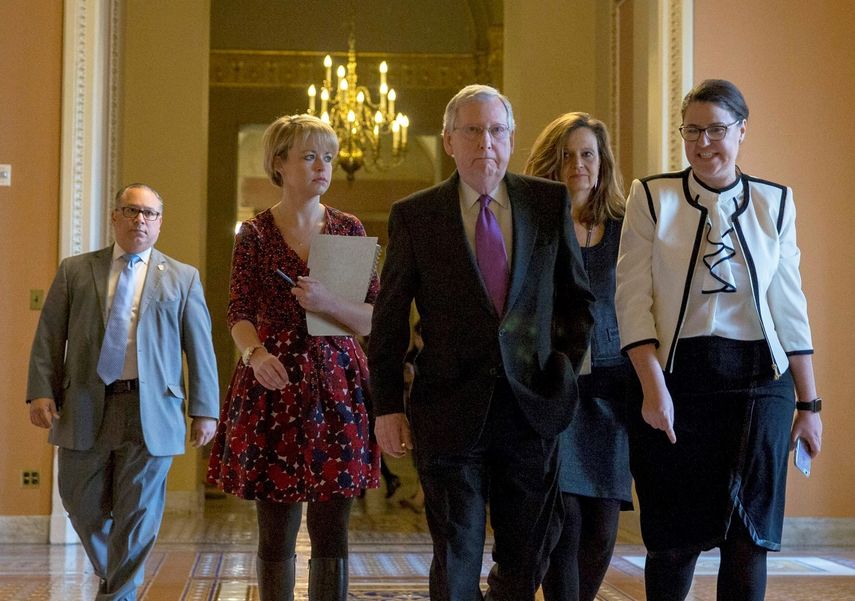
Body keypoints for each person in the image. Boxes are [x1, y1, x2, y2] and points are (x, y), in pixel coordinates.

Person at [368, 84, 594, 601]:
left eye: (495, 130)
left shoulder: (547, 202)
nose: (485, 142)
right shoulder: (416, 215)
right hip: (448, 411)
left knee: (527, 558)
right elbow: (390, 318)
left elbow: (577, 301)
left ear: (511, 138)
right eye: (471, 130)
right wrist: (387, 407)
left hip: (532, 410)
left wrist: (561, 372)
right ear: (449, 141)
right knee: (457, 555)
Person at [616, 79, 823, 601]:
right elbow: (632, 300)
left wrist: (809, 404)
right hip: (677, 380)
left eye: (715, 130)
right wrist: (653, 388)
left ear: (742, 130)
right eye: (691, 131)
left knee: (748, 537)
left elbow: (790, 307)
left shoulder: (775, 202)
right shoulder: (651, 197)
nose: (703, 143)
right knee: (673, 541)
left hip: (760, 383)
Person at [206, 114, 380, 601]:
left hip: (338, 387)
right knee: (276, 533)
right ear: (279, 163)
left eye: (328, 157)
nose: (323, 166)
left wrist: (327, 302)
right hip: (273, 384)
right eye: (309, 156)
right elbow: (238, 312)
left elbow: (370, 318)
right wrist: (254, 353)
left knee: (332, 532)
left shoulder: (349, 229)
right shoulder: (254, 234)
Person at [26, 183, 220, 601]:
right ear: (115, 217)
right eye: (131, 211)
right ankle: (119, 578)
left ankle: (118, 594)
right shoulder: (76, 271)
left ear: (160, 223)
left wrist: (205, 409)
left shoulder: (183, 278)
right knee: (79, 502)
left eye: (150, 213)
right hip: (84, 404)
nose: (140, 220)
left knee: (138, 515)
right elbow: (49, 335)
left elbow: (200, 348)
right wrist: (41, 390)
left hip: (152, 410)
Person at [523, 112, 632, 601]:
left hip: (611, 392)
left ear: (602, 161)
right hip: (555, 388)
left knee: (603, 527)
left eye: (587, 154)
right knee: (563, 521)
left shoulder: (628, 229)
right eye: (566, 156)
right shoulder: (533, 227)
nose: (577, 165)